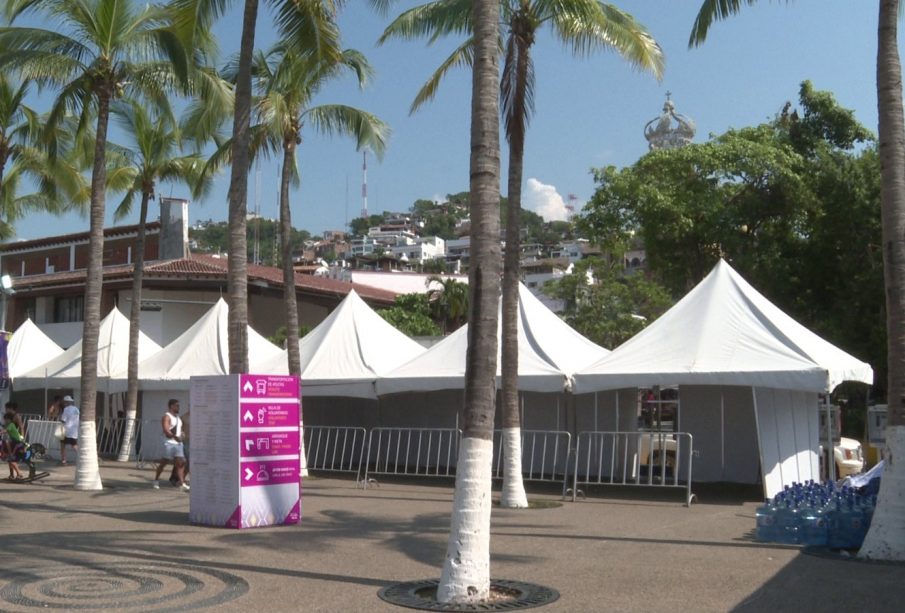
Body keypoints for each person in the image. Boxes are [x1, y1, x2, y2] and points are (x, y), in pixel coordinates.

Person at [153, 399, 189, 491]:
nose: (178, 407)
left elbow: (179, 430)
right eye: (177, 405)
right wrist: (174, 436)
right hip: (169, 443)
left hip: (178, 444)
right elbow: (166, 430)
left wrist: (181, 434)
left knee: (181, 462)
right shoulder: (166, 416)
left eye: (178, 405)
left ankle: (181, 483)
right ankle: (156, 479)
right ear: (171, 406)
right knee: (163, 463)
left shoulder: (178, 418)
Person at [3, 411, 27, 480]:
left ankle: (19, 474)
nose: (5, 421)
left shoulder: (11, 424)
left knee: (12, 460)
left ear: (9, 419)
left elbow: (5, 431)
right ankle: (11, 475)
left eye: (6, 419)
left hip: (16, 442)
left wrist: (1, 431)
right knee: (10, 460)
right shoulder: (9, 425)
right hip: (13, 442)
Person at [58, 395, 79, 465]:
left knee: (62, 445)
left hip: (66, 429)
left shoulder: (66, 409)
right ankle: (82, 457)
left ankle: (64, 460)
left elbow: (63, 420)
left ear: (66, 402)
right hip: (74, 430)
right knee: (74, 445)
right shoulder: (76, 409)